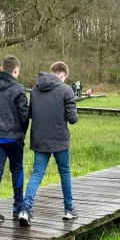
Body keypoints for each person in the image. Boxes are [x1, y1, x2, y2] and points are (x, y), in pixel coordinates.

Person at [17, 62, 79, 226]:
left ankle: (25, 209)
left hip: (40, 139)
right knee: (64, 172)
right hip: (60, 140)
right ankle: (69, 209)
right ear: (63, 75)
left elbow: (30, 114)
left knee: (37, 174)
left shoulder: (36, 89)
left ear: (52, 72)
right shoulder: (66, 90)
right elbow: (73, 119)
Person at [0, 56, 30, 222]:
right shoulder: (18, 89)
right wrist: (21, 131)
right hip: (14, 137)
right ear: (15, 70)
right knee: (17, 169)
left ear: (2, 68)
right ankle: (18, 206)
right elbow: (24, 115)